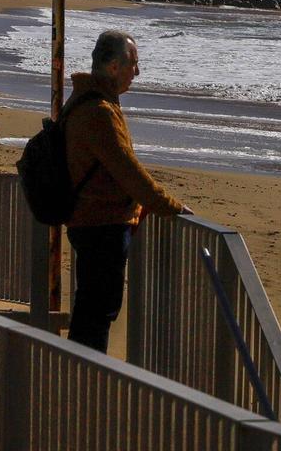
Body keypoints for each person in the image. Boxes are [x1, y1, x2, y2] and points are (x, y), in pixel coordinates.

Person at [63, 30, 192, 353]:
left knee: (92, 308)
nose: (138, 72)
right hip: (100, 222)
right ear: (113, 67)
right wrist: (169, 205)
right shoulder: (99, 112)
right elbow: (126, 170)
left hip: (91, 219)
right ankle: (86, 382)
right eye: (134, 63)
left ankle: (82, 377)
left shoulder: (87, 99)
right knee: (97, 312)